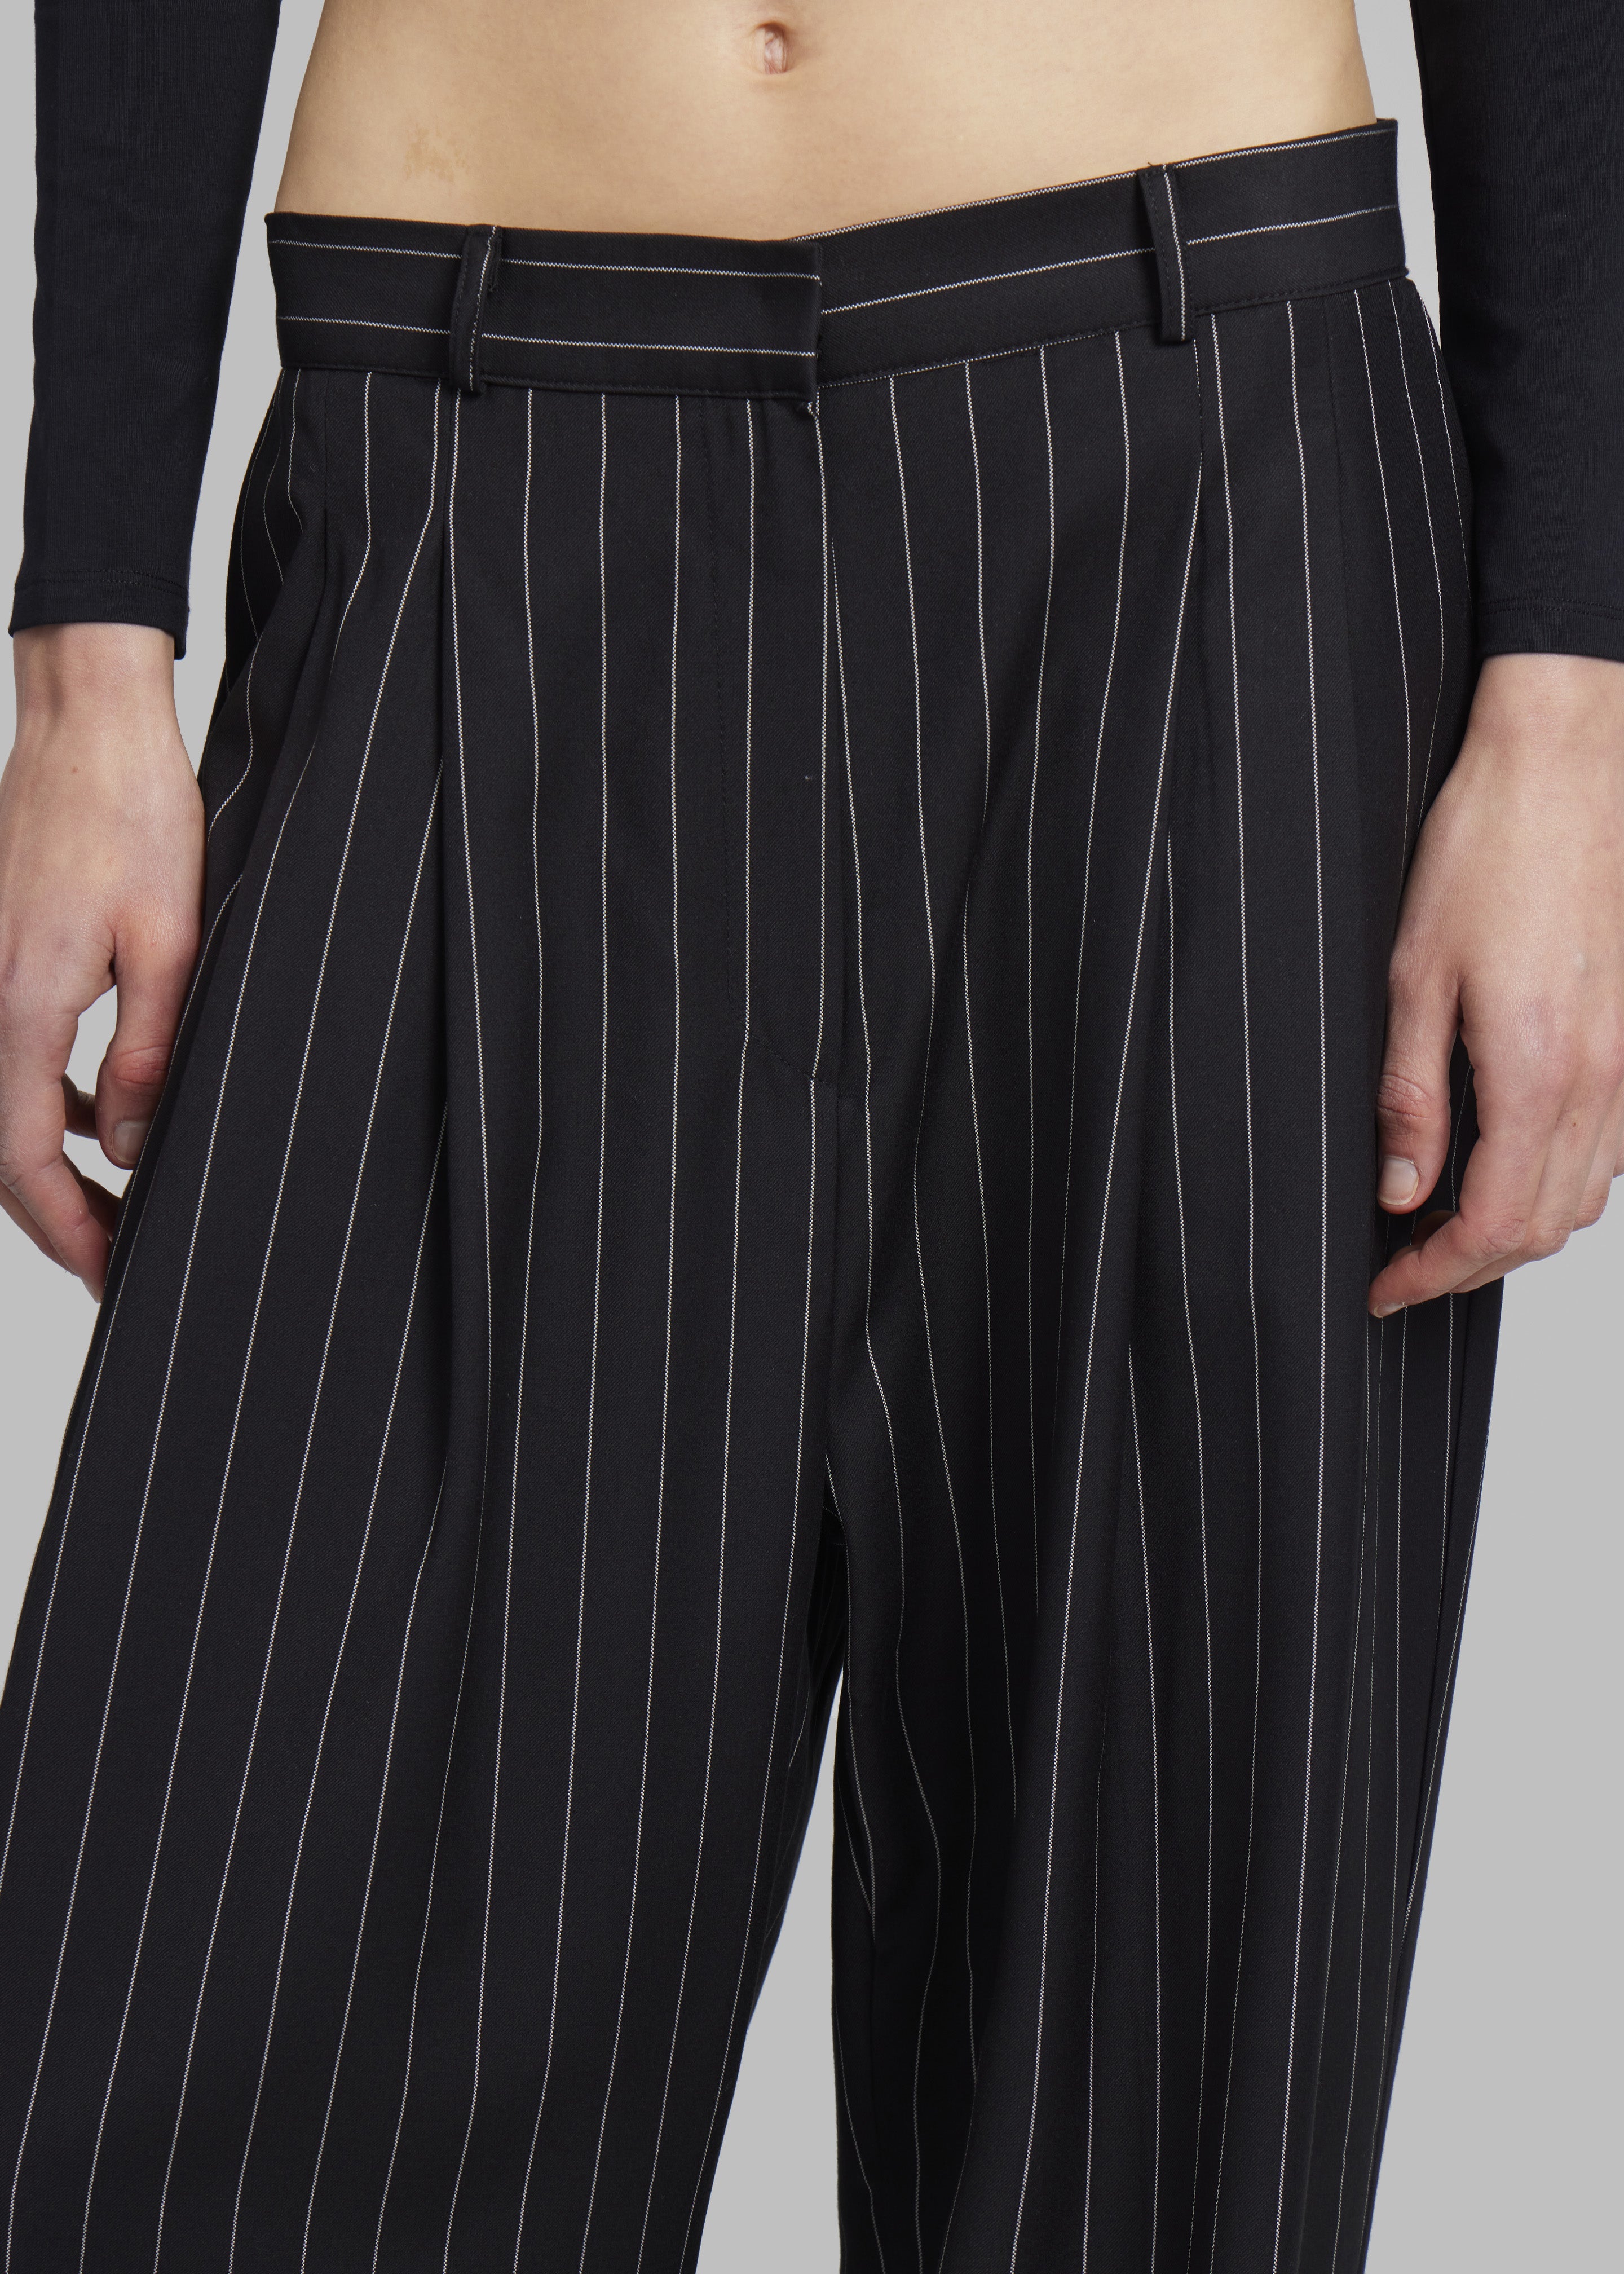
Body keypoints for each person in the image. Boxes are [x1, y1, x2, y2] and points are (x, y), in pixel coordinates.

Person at [0, 2, 1619, 2268]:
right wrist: (89, 648)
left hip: (1201, 502)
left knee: (1140, 2108)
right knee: (204, 2052)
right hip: (460, 472)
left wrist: (1571, 698)